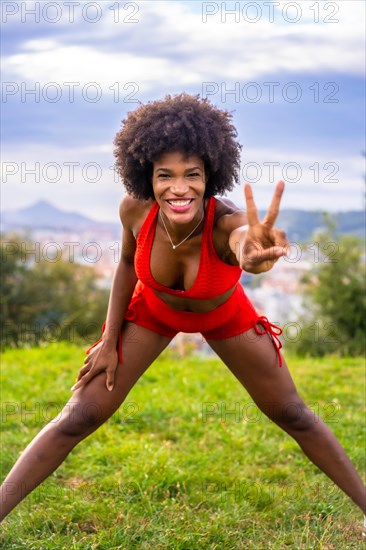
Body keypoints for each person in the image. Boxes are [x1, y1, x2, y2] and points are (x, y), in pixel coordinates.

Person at [1, 93, 365, 528]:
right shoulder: (134, 209)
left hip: (223, 315)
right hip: (152, 312)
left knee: (294, 415)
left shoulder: (227, 223)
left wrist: (254, 255)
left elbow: (245, 246)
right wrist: (109, 338)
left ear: (210, 176)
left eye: (192, 175)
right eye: (164, 176)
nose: (179, 188)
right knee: (77, 416)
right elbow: (123, 264)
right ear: (146, 177)